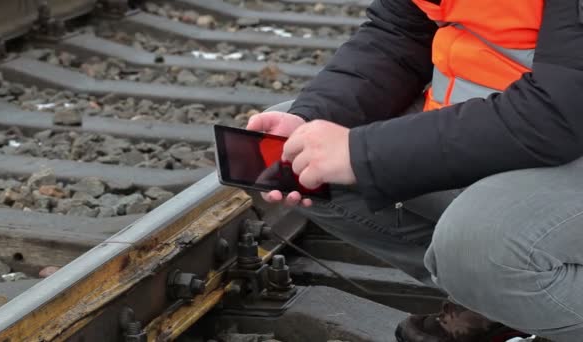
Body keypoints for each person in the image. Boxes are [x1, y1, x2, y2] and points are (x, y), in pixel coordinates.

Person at [246, 0, 583, 341]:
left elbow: (562, 107)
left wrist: (362, 154)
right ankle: (500, 298)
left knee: (481, 247)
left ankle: (509, 283)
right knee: (301, 155)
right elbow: (400, 33)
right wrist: (313, 114)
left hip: (561, 130)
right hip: (506, 127)